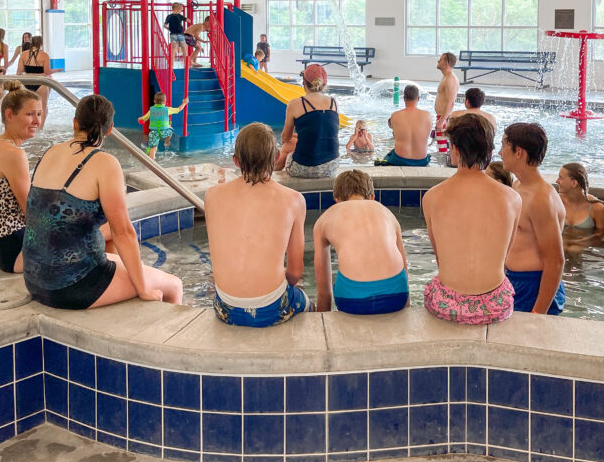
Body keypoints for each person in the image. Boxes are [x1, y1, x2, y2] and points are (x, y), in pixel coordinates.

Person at [23, 94, 183, 309]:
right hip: (72, 285)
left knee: (130, 263)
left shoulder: (50, 152)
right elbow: (123, 233)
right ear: (110, 129)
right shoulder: (105, 163)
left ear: (75, 123)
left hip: (34, 279)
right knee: (173, 284)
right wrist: (143, 289)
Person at [203, 122, 311, 326]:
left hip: (225, 306)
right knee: (306, 302)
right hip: (271, 307)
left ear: (236, 160)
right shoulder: (294, 200)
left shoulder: (212, 195)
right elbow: (296, 272)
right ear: (277, 157)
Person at [422, 115, 520, 325]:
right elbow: (505, 258)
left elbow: (440, 256)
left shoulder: (432, 197)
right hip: (496, 305)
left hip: (447, 305)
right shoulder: (512, 198)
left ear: (455, 149)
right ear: (489, 150)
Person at [314, 170, 409, 314]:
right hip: (397, 298)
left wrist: (322, 320)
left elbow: (324, 290)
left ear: (337, 200)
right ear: (372, 197)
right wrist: (406, 307)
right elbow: (404, 266)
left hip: (352, 301)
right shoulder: (387, 213)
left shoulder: (325, 218)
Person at [0, 81, 42, 274]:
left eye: (39, 114)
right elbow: (31, 212)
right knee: (103, 231)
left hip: (1, 250)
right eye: (30, 114)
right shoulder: (13, 154)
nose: (37, 121)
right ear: (9, 115)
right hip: (16, 251)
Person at [501, 122, 566, 315]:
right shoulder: (518, 185)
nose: (500, 152)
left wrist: (539, 313)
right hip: (515, 280)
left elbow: (556, 261)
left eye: (504, 145)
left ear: (518, 152)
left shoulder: (541, 199)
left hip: (534, 285)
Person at [282, 63, 340, 178]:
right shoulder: (334, 103)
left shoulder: (295, 104)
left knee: (286, 148)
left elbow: (285, 138)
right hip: (331, 166)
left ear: (304, 83)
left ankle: (269, 175)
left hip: (303, 167)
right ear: (324, 84)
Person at [375, 83, 432, 166]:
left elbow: (395, 135)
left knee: (386, 158)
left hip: (400, 159)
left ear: (404, 98)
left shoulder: (395, 115)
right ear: (418, 98)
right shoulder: (427, 115)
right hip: (421, 161)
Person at [556, 163, 604, 238]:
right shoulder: (556, 202)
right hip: (561, 245)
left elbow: (601, 236)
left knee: (575, 250)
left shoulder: (597, 207)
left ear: (574, 183)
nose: (557, 181)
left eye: (561, 178)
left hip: (583, 247)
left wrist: (580, 243)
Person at [137, 91, 189, 160]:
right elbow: (178, 109)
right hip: (165, 132)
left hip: (154, 132)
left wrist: (139, 119)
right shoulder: (167, 109)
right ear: (165, 101)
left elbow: (144, 118)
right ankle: (167, 142)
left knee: (153, 149)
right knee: (170, 129)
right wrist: (184, 103)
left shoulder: (151, 110)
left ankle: (152, 162)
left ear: (154, 101)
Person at [17, 35, 53, 127]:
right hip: (41, 83)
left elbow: (19, 72)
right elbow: (47, 72)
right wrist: (58, 70)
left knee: (25, 107)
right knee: (43, 107)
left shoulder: (24, 54)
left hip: (26, 82)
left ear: (32, 42)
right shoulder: (44, 55)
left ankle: (27, 126)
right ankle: (40, 129)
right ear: (41, 44)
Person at [434, 52, 459, 158]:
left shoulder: (450, 80)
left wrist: (442, 121)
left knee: (443, 152)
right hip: (442, 118)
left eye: (440, 60)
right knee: (443, 150)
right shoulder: (446, 77)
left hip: (445, 119)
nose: (438, 61)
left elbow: (451, 102)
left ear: (446, 63)